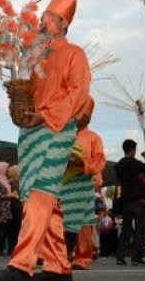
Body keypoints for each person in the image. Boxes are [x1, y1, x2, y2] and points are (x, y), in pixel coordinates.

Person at [0, 0, 91, 281]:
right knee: (44, 195)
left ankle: (22, 264)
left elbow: (79, 95)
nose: (45, 20)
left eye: (52, 17)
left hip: (57, 129)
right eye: (44, 15)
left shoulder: (76, 54)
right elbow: (21, 80)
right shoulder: (36, 53)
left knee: (38, 192)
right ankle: (58, 265)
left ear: (64, 24)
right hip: (31, 130)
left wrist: (46, 115)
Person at [58, 96, 106, 271]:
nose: (77, 117)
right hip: (64, 185)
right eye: (75, 113)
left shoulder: (93, 137)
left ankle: (82, 257)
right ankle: (58, 255)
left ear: (88, 117)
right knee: (59, 220)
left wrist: (81, 163)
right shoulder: (63, 133)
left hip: (83, 185)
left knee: (84, 223)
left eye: (81, 114)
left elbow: (100, 161)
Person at [114, 139, 145, 266]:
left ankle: (120, 257)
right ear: (131, 150)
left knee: (125, 229)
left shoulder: (119, 165)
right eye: (134, 150)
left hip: (125, 202)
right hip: (138, 202)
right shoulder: (136, 164)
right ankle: (136, 258)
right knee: (139, 230)